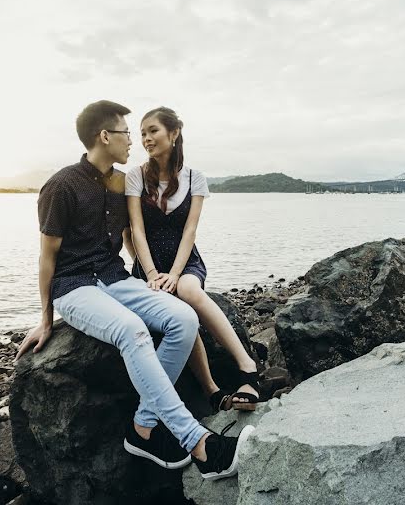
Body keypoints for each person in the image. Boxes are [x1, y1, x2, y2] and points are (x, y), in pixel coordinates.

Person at [15, 100, 253, 480]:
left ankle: (143, 428)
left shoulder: (118, 182)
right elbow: (47, 258)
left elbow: (130, 235)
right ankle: (198, 442)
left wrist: (153, 277)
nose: (134, 142)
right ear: (104, 136)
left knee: (183, 317)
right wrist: (45, 319)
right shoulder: (61, 186)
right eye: (128, 133)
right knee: (132, 330)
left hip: (115, 278)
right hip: (75, 287)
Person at [125, 107, 261, 412]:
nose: (146, 138)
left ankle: (247, 368)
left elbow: (190, 231)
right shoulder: (135, 177)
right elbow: (135, 230)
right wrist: (150, 273)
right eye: (142, 132)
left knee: (187, 292)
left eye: (153, 130)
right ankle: (212, 391)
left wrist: (173, 274)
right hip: (148, 265)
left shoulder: (194, 178)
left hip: (185, 262)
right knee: (176, 311)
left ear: (173, 134)